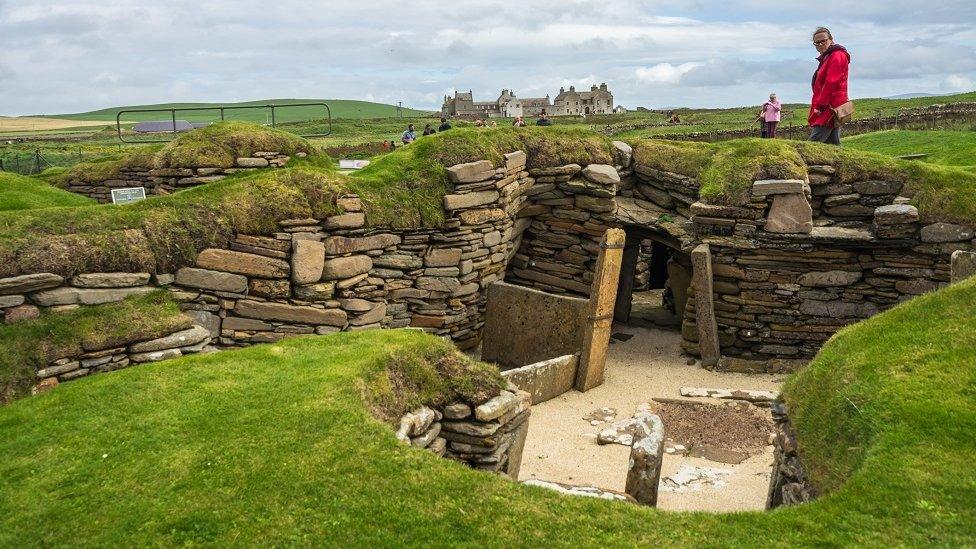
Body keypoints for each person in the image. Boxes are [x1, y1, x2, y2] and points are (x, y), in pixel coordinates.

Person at [809, 27, 850, 146]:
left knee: (814, 143)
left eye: (824, 40)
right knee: (832, 143)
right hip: (830, 105)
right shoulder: (827, 57)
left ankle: (798, 163)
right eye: (817, 42)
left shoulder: (836, 56)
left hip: (830, 106)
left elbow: (832, 82)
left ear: (831, 40)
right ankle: (840, 164)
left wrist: (821, 105)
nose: (820, 44)